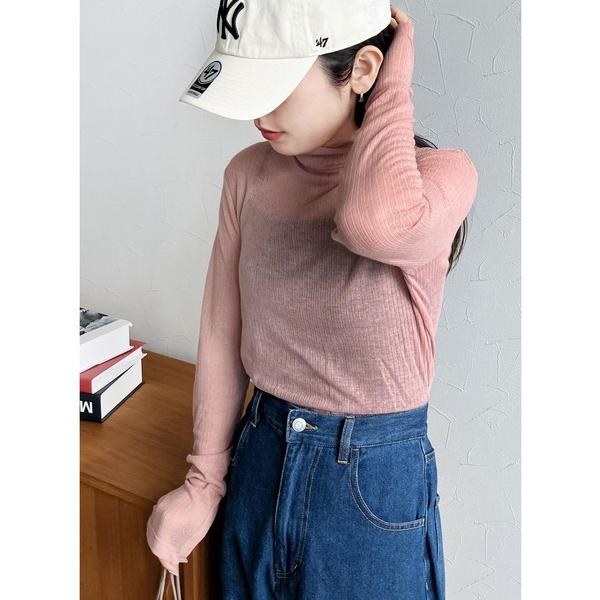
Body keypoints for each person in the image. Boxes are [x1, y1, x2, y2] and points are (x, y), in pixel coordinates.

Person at [146, 1, 478, 598]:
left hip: (370, 488)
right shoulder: (247, 175)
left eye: (276, 89)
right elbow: (222, 333)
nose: (259, 115)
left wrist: (395, 72)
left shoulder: (441, 178)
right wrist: (204, 482)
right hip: (259, 457)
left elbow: (375, 225)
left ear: (362, 69)